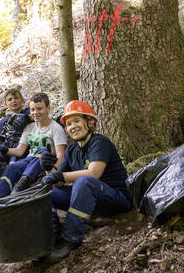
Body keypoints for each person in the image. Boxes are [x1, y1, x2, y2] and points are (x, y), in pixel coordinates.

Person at [41, 100, 132, 263]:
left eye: (77, 121)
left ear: (90, 122)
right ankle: (53, 238)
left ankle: (70, 240)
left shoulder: (99, 142)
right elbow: (56, 181)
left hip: (116, 199)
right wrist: (48, 168)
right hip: (89, 200)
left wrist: (59, 176)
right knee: (46, 190)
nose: (72, 126)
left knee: (84, 182)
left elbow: (94, 173)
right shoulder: (71, 150)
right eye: (69, 123)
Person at [0, 93, 67, 197]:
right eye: (32, 109)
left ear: (48, 108)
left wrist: (53, 172)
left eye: (39, 109)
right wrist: (3, 149)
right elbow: (19, 151)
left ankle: (23, 183)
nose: (35, 113)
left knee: (43, 150)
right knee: (11, 168)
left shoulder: (56, 128)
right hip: (29, 161)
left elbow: (60, 155)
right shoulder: (29, 127)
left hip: (45, 164)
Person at [0, 88, 33, 161]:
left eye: (16, 98)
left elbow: (35, 117)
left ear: (22, 100)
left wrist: (25, 118)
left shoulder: (29, 111)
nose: (13, 101)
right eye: (10, 99)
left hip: (26, 145)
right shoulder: (4, 121)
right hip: (9, 147)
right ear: (6, 104)